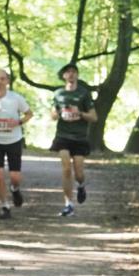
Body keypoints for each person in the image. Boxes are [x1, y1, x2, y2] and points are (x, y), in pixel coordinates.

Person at [0, 69, 33, 220]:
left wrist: (19, 122)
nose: (0, 81)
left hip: (14, 140)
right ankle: (5, 206)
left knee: (15, 177)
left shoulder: (16, 98)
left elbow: (29, 113)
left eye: (3, 79)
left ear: (7, 81)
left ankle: (15, 189)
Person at [49, 63, 97, 216]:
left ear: (77, 75)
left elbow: (94, 117)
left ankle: (81, 185)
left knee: (78, 172)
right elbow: (52, 115)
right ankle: (68, 204)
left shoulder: (84, 94)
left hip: (79, 137)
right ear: (63, 76)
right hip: (63, 136)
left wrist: (80, 113)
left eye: (73, 72)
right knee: (66, 169)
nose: (71, 74)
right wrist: (58, 113)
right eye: (68, 72)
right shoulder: (58, 94)